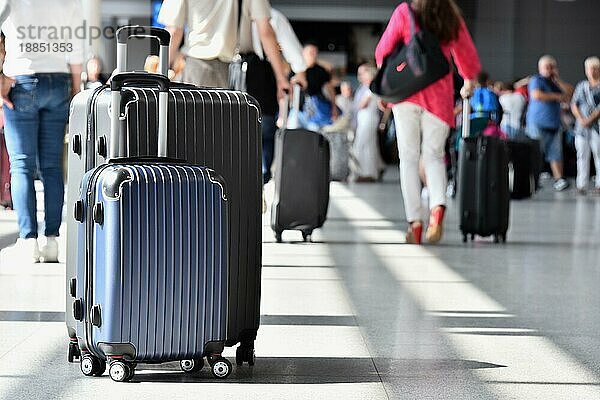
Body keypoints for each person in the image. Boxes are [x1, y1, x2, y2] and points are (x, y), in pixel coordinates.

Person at [375, 0, 480, 245]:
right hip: (439, 96)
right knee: (433, 156)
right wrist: (467, 81)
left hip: (406, 94)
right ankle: (437, 210)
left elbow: (383, 51)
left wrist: (385, 88)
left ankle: (415, 224)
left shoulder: (405, 12)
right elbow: (468, 59)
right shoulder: (450, 15)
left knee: (409, 159)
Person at [0, 0, 83, 262]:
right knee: (52, 167)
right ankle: (51, 241)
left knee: (22, 166)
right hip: (59, 79)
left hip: (21, 79)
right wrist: (77, 88)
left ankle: (28, 241)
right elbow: (77, 46)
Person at [158, 0, 289, 99]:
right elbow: (265, 31)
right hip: (232, 72)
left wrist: (159, 76)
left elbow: (173, 32)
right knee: (227, 128)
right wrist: (281, 79)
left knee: (193, 126)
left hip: (195, 70)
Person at [249, 7, 307, 185]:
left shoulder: (229, 10)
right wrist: (299, 71)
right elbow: (291, 48)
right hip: (262, 78)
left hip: (233, 74)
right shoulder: (270, 15)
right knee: (265, 133)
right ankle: (262, 179)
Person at [526, 55, 573, 192]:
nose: (550, 70)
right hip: (537, 123)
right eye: (547, 67)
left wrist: (557, 80)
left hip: (554, 123)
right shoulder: (536, 80)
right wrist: (558, 97)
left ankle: (559, 179)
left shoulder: (555, 83)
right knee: (536, 152)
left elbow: (570, 92)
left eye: (552, 67)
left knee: (556, 153)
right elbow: (537, 95)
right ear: (540, 68)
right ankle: (533, 179)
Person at [350, 63, 385, 182]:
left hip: (369, 118)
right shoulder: (364, 88)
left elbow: (362, 104)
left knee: (364, 145)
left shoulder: (371, 87)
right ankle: (375, 169)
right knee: (369, 145)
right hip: (364, 119)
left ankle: (368, 173)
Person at [571, 56, 600, 195]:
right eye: (590, 68)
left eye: (595, 68)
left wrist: (591, 119)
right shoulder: (581, 86)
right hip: (581, 128)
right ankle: (581, 184)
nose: (592, 71)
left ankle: (599, 184)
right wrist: (581, 119)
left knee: (598, 154)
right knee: (582, 155)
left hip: (597, 128)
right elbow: (574, 104)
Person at [298, 43, 338, 130]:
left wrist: (334, 108)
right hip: (298, 110)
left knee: (313, 135)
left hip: (314, 111)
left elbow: (330, 89)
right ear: (303, 53)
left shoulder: (321, 70)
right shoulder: (297, 68)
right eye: (311, 52)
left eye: (315, 52)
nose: (314, 55)